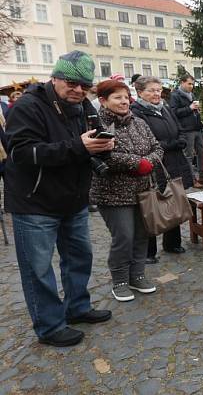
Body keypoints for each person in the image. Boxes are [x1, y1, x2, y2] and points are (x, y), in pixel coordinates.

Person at [5, 50, 113, 346]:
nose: (78, 90)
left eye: (84, 85)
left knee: (79, 258)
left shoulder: (84, 106)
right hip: (34, 203)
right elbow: (22, 153)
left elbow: (90, 141)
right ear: (54, 78)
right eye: (71, 82)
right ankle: (50, 326)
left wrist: (104, 144)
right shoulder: (28, 106)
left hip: (73, 199)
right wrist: (79, 147)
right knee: (38, 269)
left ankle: (77, 308)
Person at [92, 80, 163, 301]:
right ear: (103, 101)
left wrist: (148, 162)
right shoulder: (96, 125)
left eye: (125, 97)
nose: (124, 101)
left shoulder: (139, 122)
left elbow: (157, 147)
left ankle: (137, 274)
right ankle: (120, 280)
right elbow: (103, 155)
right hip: (113, 193)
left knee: (142, 235)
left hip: (143, 189)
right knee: (124, 236)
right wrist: (136, 163)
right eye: (117, 97)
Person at [131, 76, 194, 258]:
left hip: (174, 162)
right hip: (154, 165)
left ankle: (172, 243)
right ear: (140, 92)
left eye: (158, 90)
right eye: (151, 90)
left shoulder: (164, 108)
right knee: (151, 207)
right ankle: (148, 251)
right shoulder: (137, 112)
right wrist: (172, 144)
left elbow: (179, 128)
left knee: (173, 202)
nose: (156, 94)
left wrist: (180, 139)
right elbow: (145, 143)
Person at [169, 73, 203, 188]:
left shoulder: (191, 95)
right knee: (188, 155)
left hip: (197, 128)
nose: (191, 86)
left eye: (192, 84)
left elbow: (193, 110)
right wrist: (189, 108)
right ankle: (192, 179)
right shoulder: (175, 95)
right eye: (189, 84)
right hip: (186, 129)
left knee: (202, 153)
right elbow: (174, 112)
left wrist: (198, 113)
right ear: (182, 83)